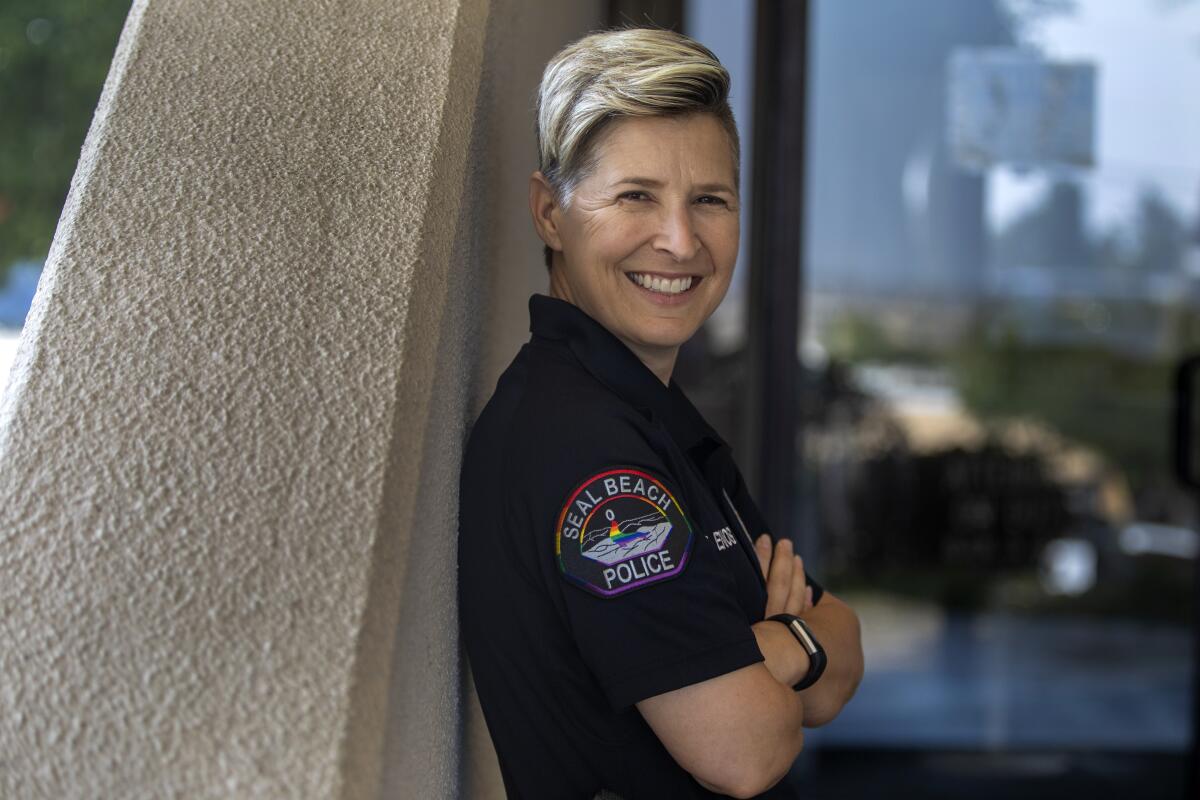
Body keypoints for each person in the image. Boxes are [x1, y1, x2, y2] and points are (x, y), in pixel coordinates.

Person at [458, 27, 864, 799]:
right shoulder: (594, 457)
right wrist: (789, 649)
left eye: (709, 199)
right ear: (550, 213)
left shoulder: (648, 418)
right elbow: (748, 751)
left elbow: (844, 665)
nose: (679, 241)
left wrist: (776, 650)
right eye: (635, 196)